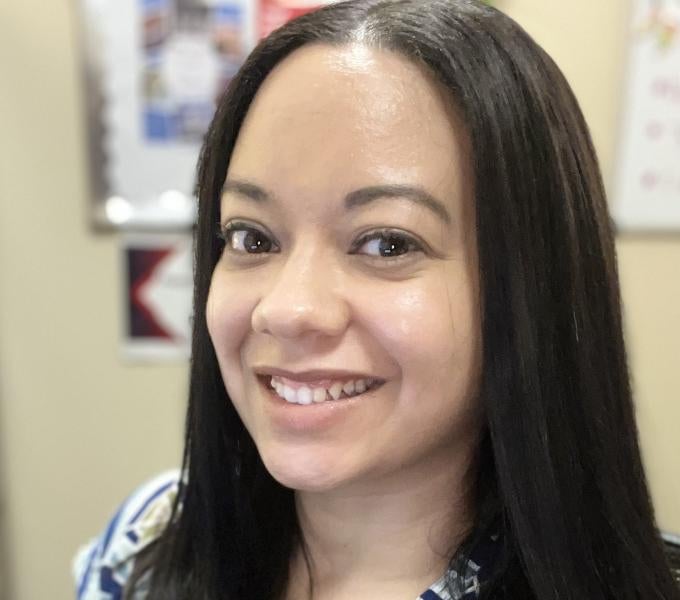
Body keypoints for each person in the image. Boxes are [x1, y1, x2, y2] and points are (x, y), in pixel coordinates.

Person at [72, 1, 680, 599]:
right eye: (251, 237)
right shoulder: (142, 547)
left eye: (388, 243)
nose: (287, 309)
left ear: (530, 283)